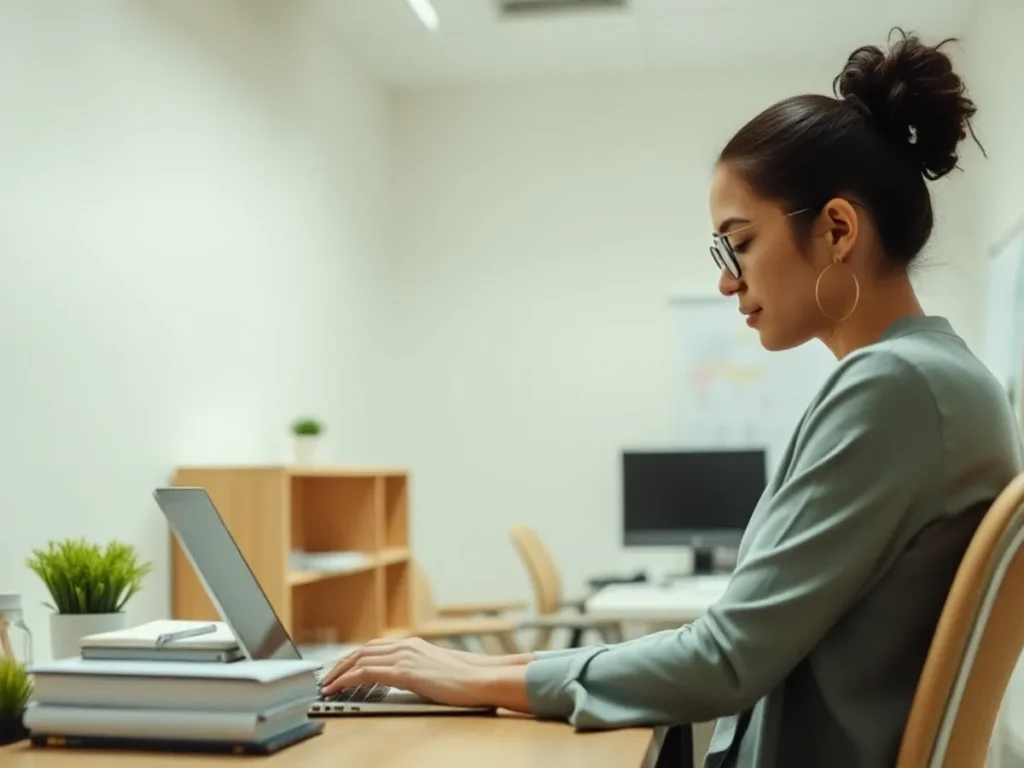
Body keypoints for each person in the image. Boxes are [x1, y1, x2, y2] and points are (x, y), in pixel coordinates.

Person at [320, 29, 1024, 768]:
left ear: (838, 229)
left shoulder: (898, 389)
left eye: (738, 243)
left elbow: (725, 662)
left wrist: (484, 675)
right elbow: (739, 641)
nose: (727, 281)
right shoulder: (935, 379)